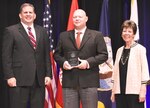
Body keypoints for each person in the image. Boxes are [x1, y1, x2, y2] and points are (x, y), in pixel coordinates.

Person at [54, 9, 108, 108]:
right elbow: (57, 55)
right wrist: (64, 62)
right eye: (75, 17)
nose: (77, 19)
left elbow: (103, 55)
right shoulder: (63, 36)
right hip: (69, 82)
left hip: (89, 82)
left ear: (86, 19)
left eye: (80, 17)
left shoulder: (96, 35)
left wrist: (87, 63)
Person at [2, 3, 52, 108]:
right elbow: (6, 56)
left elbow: (46, 55)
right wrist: (9, 76)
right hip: (19, 79)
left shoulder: (42, 31)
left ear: (35, 15)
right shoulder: (11, 31)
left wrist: (48, 74)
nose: (28, 14)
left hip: (39, 79)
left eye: (31, 12)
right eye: (25, 12)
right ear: (20, 15)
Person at [111, 20, 150, 108]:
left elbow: (145, 70)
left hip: (135, 91)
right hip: (120, 91)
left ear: (134, 34)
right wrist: (113, 90)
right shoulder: (119, 50)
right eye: (124, 31)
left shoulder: (140, 49)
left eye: (129, 31)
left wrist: (143, 90)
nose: (126, 33)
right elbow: (115, 71)